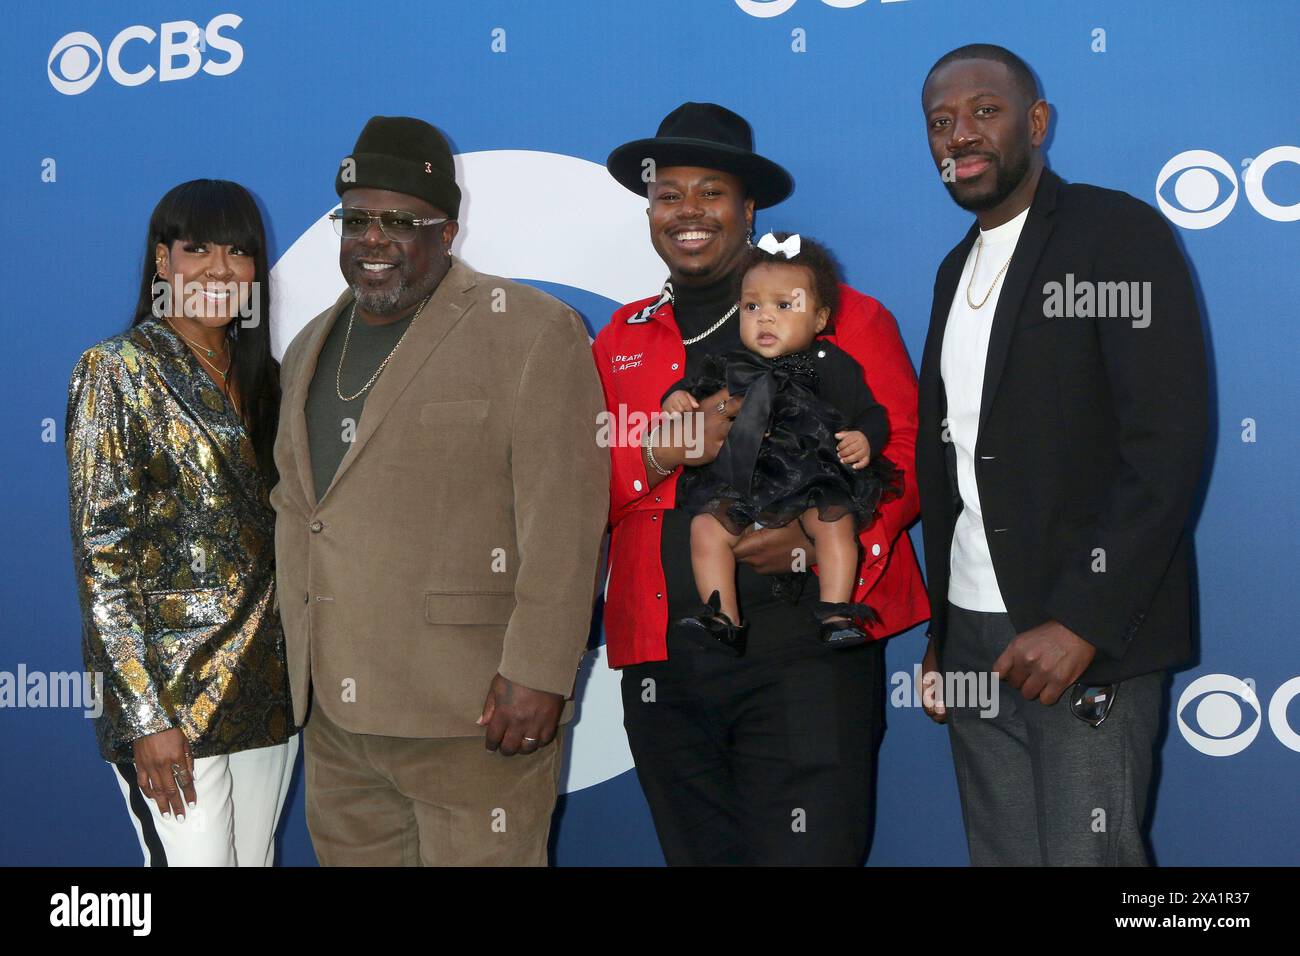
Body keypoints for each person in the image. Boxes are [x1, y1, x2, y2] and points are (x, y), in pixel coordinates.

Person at [595, 102, 929, 865]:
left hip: (806, 660)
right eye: (668, 193)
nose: (688, 212)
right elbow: (583, 483)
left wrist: (820, 540)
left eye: (711, 192)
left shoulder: (843, 319)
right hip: (667, 669)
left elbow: (907, 456)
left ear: (749, 209)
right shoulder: (621, 337)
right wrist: (655, 456)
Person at [271, 116, 608, 866]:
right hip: (336, 718)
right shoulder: (306, 348)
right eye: (356, 219)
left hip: (474, 710)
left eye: (400, 220)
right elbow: (306, 517)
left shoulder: (531, 330)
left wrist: (541, 672)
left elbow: (566, 517)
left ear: (447, 231)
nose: (374, 239)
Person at [915, 45, 1208, 865]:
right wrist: (942, 629)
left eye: (984, 111)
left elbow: (1166, 443)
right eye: (941, 122)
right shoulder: (953, 270)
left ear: (1037, 123)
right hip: (972, 632)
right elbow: (954, 466)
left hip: (1078, 632)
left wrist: (1085, 617)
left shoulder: (1115, 234)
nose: (960, 136)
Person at [66, 179, 296, 866]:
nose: (220, 269)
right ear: (161, 261)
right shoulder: (118, 370)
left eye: (238, 251)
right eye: (197, 248)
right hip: (170, 703)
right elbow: (102, 559)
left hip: (267, 695)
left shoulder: (270, 380)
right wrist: (144, 717)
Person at [663, 232, 901, 652]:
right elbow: (692, 386)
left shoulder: (831, 364)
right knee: (705, 529)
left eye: (784, 306)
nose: (765, 318)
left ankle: (836, 610)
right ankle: (722, 615)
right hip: (745, 481)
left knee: (833, 524)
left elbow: (873, 413)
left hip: (812, 479)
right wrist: (676, 397)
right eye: (752, 306)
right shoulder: (729, 361)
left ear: (821, 319)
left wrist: (865, 438)